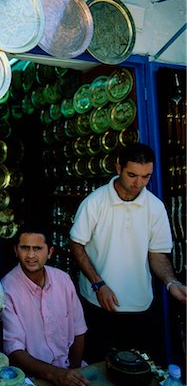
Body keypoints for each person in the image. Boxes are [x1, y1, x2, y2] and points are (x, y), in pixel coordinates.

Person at [69, 143, 187, 363]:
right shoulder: (95, 202)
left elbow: (157, 254)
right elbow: (76, 243)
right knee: (100, 365)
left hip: (140, 304)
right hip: (98, 303)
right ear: (118, 169)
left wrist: (171, 283)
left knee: (139, 368)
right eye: (132, 175)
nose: (138, 183)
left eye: (146, 176)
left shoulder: (155, 207)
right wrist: (98, 284)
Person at [1, 223, 94, 386]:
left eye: (37, 248)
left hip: (71, 370)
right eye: (25, 248)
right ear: (16, 250)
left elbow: (78, 331)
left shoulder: (63, 280)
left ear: (50, 252)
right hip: (32, 381)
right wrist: (55, 374)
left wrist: (71, 374)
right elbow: (14, 350)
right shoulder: (7, 289)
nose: (30, 255)